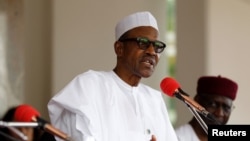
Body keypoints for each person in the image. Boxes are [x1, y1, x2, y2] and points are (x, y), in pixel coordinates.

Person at [47, 11, 178, 141]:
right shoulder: (88, 86)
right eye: (143, 42)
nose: (151, 51)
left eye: (157, 46)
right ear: (119, 48)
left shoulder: (154, 100)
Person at [175, 75, 238, 141]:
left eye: (226, 108)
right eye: (212, 104)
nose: (220, 113)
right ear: (197, 101)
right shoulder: (177, 138)